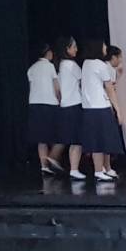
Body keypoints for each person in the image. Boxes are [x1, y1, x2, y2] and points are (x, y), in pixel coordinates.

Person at [79, 38, 122, 181]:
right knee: (102, 140)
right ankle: (100, 170)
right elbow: (110, 89)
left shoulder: (86, 63)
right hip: (100, 106)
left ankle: (103, 169)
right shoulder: (100, 65)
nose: (105, 48)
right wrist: (118, 110)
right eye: (103, 46)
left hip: (89, 107)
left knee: (98, 140)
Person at [27, 42, 63, 174]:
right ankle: (53, 157)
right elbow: (56, 87)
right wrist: (60, 99)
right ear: (47, 52)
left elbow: (31, 88)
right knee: (57, 134)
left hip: (35, 104)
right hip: (50, 104)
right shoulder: (50, 66)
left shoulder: (31, 68)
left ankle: (44, 166)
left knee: (41, 137)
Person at [54, 35, 84, 179]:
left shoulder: (60, 65)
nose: (77, 49)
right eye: (74, 47)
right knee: (77, 140)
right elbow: (83, 80)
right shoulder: (71, 65)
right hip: (74, 105)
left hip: (65, 106)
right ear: (67, 49)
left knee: (70, 139)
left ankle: (71, 168)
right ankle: (74, 169)